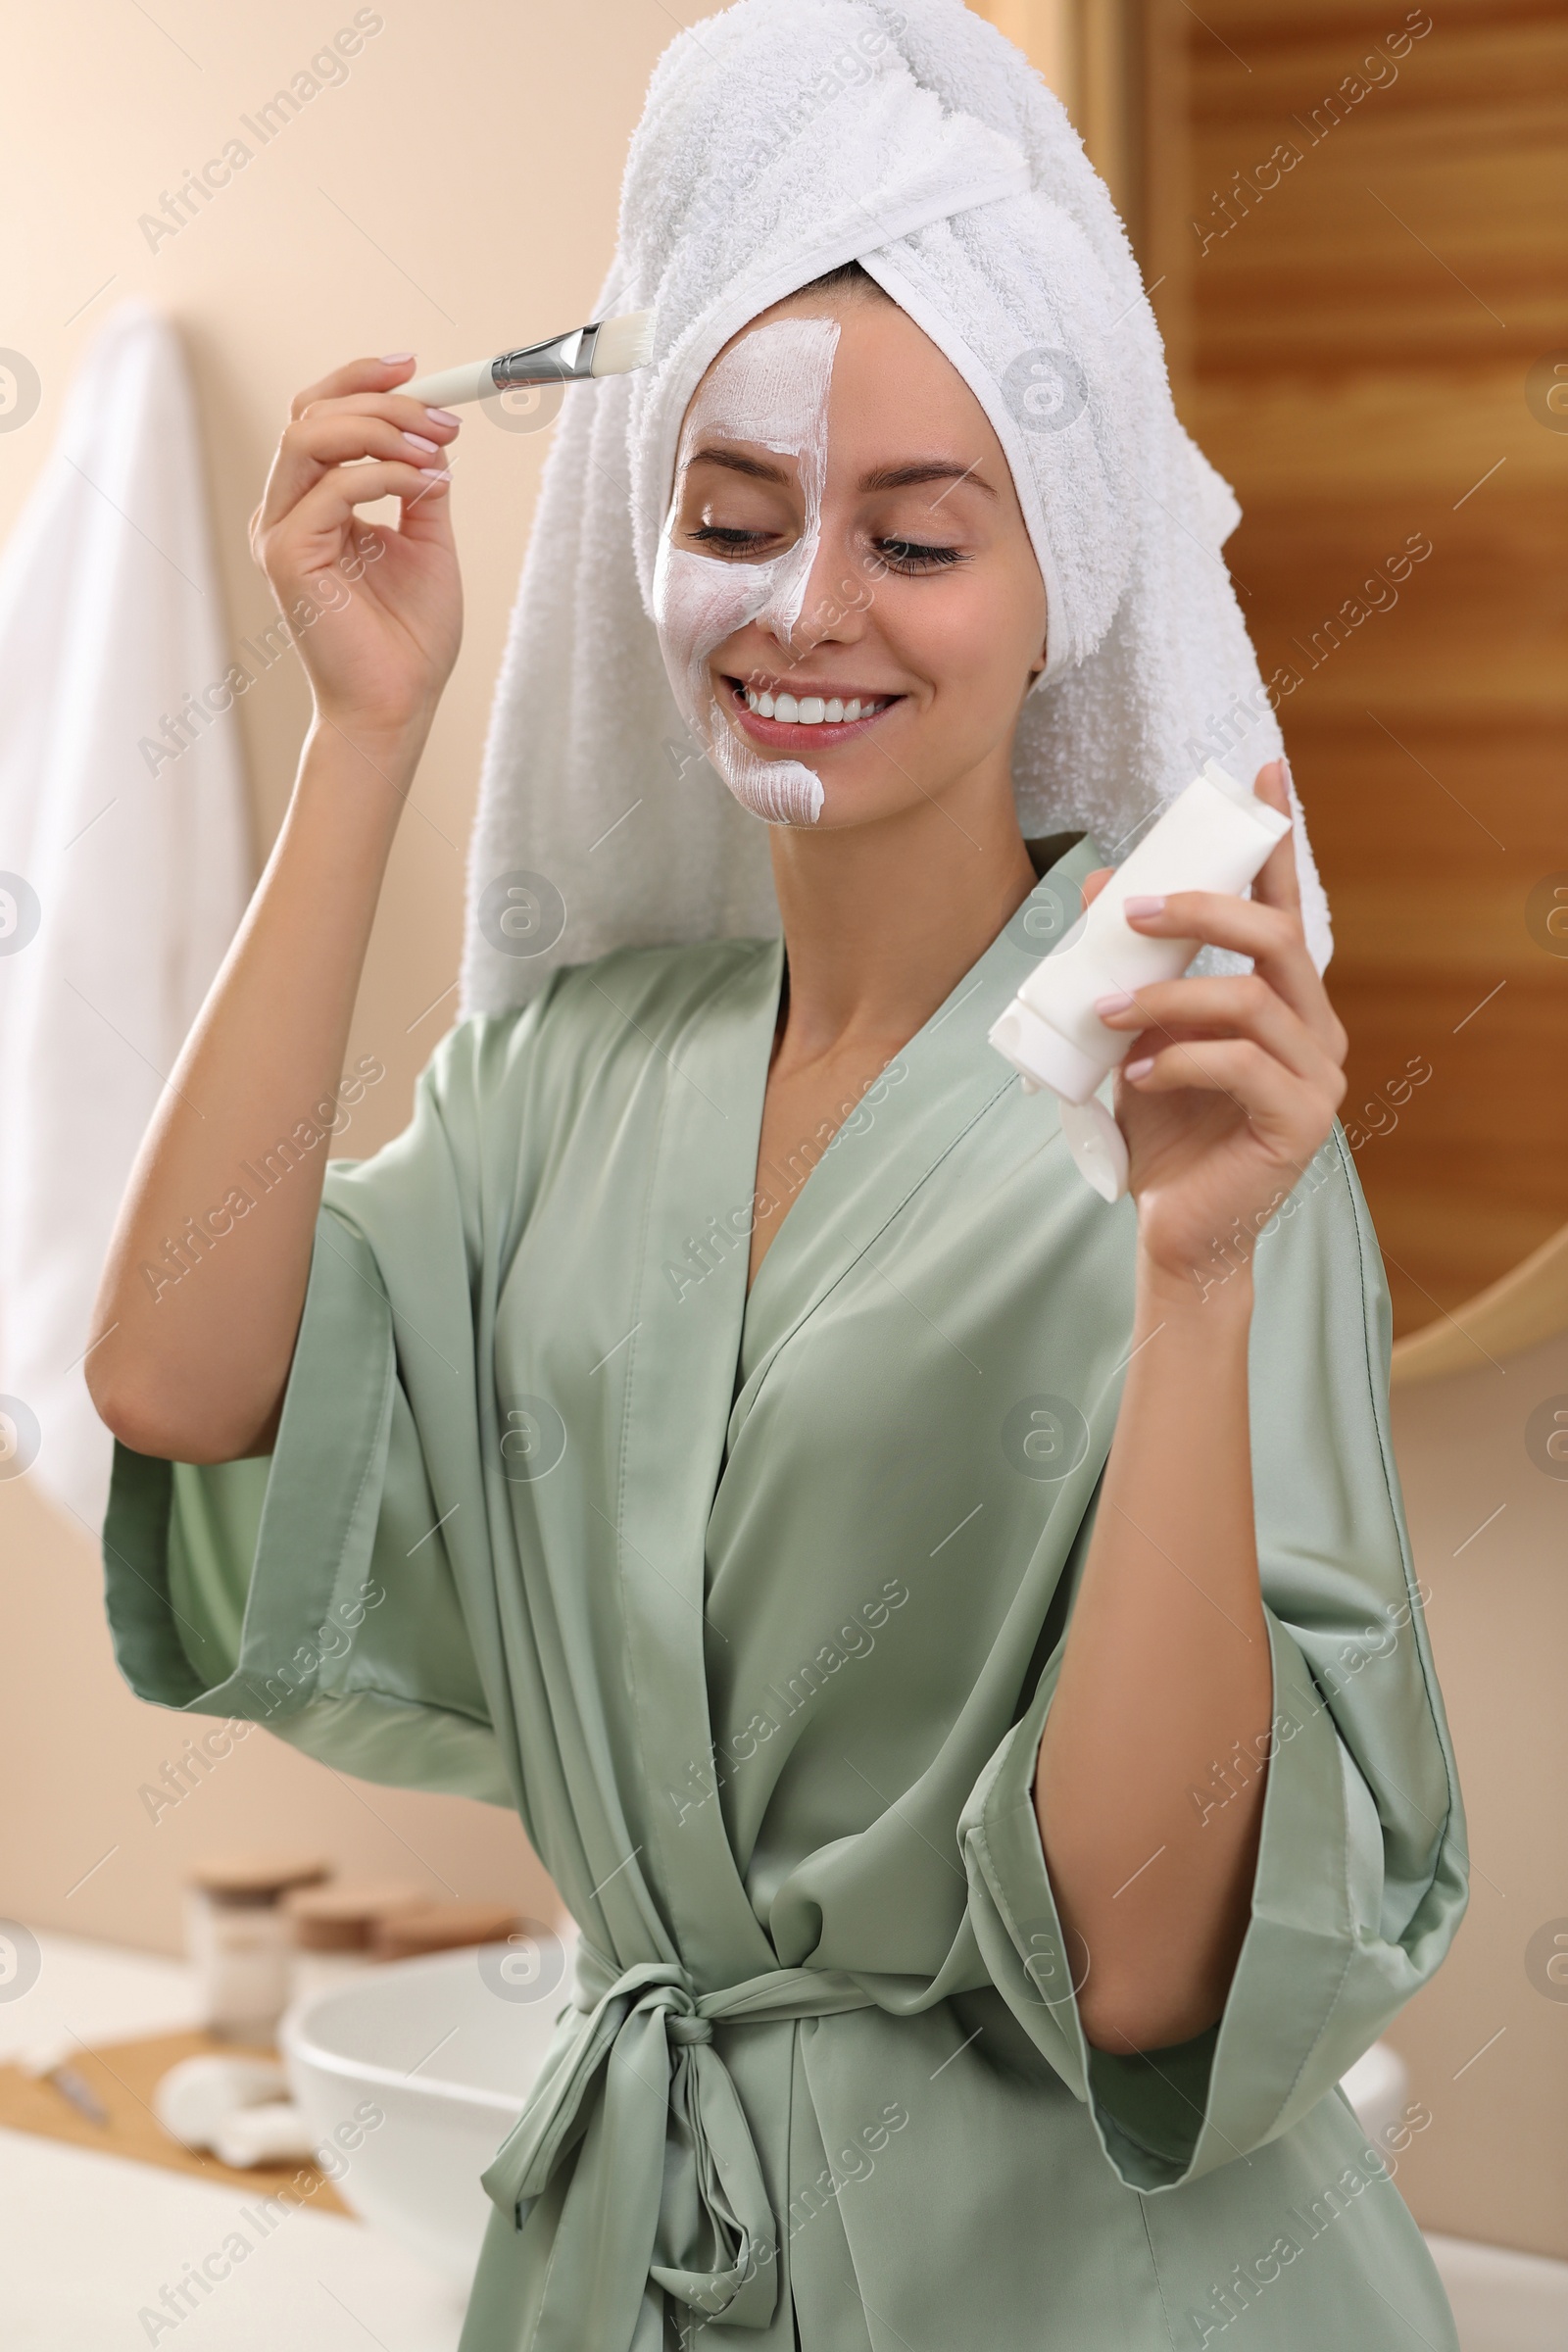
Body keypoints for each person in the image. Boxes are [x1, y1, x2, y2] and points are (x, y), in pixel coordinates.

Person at [88, 5, 1467, 2346]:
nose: (805, 607)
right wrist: (362, 733)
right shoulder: (567, 1079)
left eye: (914, 538)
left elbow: (1147, 1956)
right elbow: (178, 1371)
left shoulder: (1185, 1127)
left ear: (1066, 588)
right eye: (733, 519)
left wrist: (1199, 1286)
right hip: (632, 2254)